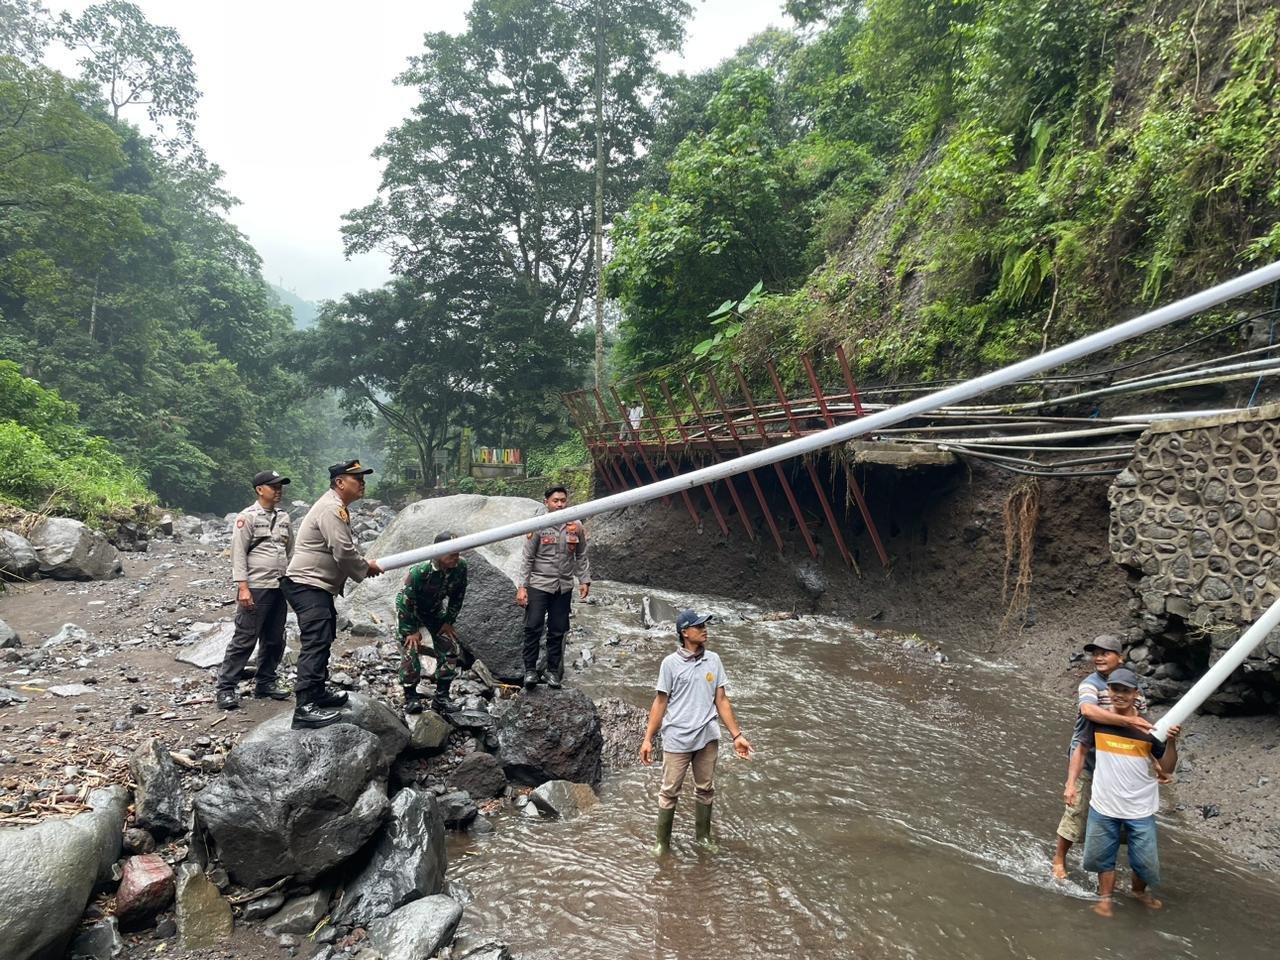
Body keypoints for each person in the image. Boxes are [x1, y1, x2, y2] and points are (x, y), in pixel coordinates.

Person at [1064, 668, 1180, 917]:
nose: (1119, 695)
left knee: (1144, 860)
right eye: (1115, 689)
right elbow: (1081, 750)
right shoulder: (1099, 721)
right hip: (1103, 804)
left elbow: (1168, 768)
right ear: (1108, 691)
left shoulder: (1151, 728)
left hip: (1140, 808)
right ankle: (1105, 897)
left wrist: (1171, 742)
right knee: (1102, 857)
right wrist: (1071, 784)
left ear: (1135, 694)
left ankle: (1139, 892)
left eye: (1125, 691)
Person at [640, 609, 753, 855]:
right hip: (677, 738)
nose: (704, 629)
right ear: (684, 632)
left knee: (705, 789)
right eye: (698, 626)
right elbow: (660, 702)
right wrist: (648, 739)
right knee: (669, 792)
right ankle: (662, 843)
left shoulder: (713, 660)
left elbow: (721, 700)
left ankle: (703, 837)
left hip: (707, 737)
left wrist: (737, 736)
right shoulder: (669, 664)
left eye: (704, 625)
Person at [281, 459, 384, 729]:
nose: (362, 483)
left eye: (363, 478)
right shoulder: (331, 508)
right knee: (316, 640)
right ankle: (304, 708)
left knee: (324, 636)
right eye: (356, 478)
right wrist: (365, 568)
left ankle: (317, 694)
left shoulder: (337, 507)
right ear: (339, 482)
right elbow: (343, 551)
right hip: (307, 584)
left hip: (315, 585)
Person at [1052, 635, 1155, 880]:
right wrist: (1128, 720)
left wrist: (1156, 764)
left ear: (1120, 657)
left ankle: (1104, 869)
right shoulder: (1090, 684)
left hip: (1119, 765)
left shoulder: (1133, 688)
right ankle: (1059, 859)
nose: (1098, 657)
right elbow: (1088, 711)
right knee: (1075, 813)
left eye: (1105, 652)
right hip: (1087, 759)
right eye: (1095, 653)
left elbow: (1141, 730)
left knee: (1116, 820)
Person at [216, 470, 295, 709]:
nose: (278, 490)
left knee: (274, 639)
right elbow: (238, 554)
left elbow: (290, 550)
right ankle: (226, 688)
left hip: (279, 586)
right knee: (245, 638)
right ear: (260, 489)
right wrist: (243, 587)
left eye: (280, 486)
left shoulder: (284, 517)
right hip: (256, 586)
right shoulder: (246, 517)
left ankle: (265, 682)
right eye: (273, 486)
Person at [515, 485, 589, 690]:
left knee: (558, 630)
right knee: (533, 626)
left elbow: (581, 555)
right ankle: (530, 670)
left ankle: (553, 672)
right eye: (555, 501)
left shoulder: (576, 526)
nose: (559, 504)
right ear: (546, 502)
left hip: (563, 586)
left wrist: (584, 580)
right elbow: (527, 558)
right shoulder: (538, 525)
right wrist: (522, 587)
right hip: (539, 584)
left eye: (563, 500)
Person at [394, 531, 468, 716]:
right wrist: (410, 630)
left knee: (450, 647)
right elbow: (404, 601)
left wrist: (448, 622)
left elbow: (458, 595)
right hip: (412, 611)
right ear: (437, 552)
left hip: (435, 611)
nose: (456, 558)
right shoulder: (420, 570)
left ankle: (441, 697)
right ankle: (411, 697)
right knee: (411, 649)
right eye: (452, 554)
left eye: (458, 553)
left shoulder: (460, 566)